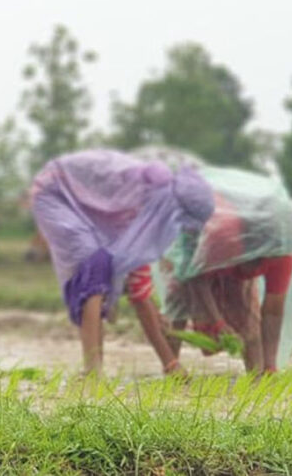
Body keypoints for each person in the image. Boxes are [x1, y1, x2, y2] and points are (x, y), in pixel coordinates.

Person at [30, 149, 214, 375]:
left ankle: (98, 369)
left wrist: (171, 364)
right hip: (55, 192)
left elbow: (139, 290)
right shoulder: (136, 193)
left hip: (87, 207)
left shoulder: (144, 218)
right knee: (93, 264)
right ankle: (93, 372)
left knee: (98, 268)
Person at [157, 166, 292, 374]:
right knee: (177, 305)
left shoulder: (283, 252)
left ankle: (259, 376)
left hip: (230, 262)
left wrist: (270, 365)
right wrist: (217, 322)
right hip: (190, 247)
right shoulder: (225, 237)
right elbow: (195, 280)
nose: (275, 256)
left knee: (249, 320)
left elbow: (273, 311)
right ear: (254, 241)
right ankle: (172, 370)